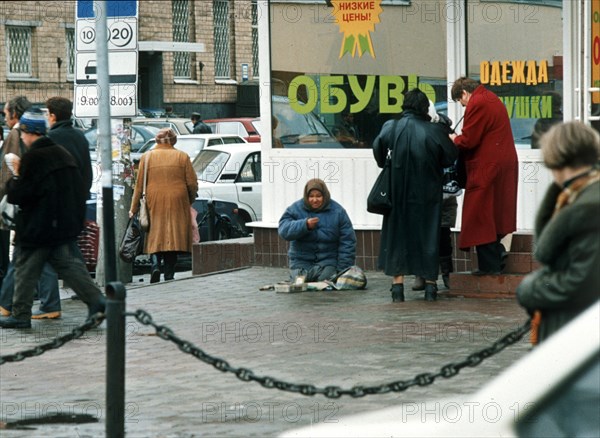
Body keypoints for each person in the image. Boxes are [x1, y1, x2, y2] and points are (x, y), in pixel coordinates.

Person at [0, 109, 105, 329]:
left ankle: (20, 315)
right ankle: (97, 301)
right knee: (68, 266)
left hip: (38, 226)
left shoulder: (33, 158)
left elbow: (21, 194)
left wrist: (16, 176)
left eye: (23, 133)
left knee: (25, 268)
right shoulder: (61, 153)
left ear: (30, 132)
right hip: (61, 224)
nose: (20, 137)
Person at [517, 121, 599, 345]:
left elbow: (581, 282)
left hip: (576, 332)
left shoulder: (589, 205)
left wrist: (530, 289)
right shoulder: (577, 193)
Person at [373, 89, 457, 302]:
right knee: (428, 236)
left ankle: (397, 287)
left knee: (397, 236)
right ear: (424, 108)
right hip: (427, 193)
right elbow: (449, 157)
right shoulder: (434, 131)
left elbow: (379, 153)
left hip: (397, 192)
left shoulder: (390, 127)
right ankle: (430, 285)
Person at [0, 96, 61, 320]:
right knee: (34, 258)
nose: (5, 118)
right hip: (35, 209)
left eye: (5, 114)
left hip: (24, 207)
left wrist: (7, 194)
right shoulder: (32, 139)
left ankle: (11, 307)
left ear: (15, 115)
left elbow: (10, 172)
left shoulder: (18, 135)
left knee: (23, 257)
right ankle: (43, 304)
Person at [449, 77, 518, 275]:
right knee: (494, 213)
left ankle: (490, 267)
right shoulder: (490, 98)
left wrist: (454, 138)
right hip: (500, 164)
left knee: (481, 215)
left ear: (464, 93)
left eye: (461, 103)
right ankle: (496, 255)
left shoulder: (477, 102)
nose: (463, 107)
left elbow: (469, 140)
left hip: (486, 167)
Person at [129, 128, 198, 283]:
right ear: (173, 141)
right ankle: (169, 273)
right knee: (173, 236)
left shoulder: (146, 158)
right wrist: (189, 199)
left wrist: (133, 208)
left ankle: (155, 266)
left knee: (154, 234)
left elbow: (139, 187)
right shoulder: (182, 157)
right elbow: (192, 183)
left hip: (154, 199)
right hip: (178, 199)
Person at [413, 101, 461, 291]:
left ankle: (446, 274)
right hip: (425, 194)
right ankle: (422, 274)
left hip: (444, 194)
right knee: (422, 235)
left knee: (442, 235)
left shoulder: (444, 131)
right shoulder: (419, 129)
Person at [278, 178, 356, 282]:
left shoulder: (338, 212)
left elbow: (348, 242)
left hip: (327, 262)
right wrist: (304, 225)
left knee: (325, 282)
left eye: (318, 196)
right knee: (299, 282)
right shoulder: (295, 209)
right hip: (301, 262)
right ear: (306, 196)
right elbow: (283, 230)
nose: (315, 200)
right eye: (311, 196)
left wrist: (342, 270)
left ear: (325, 196)